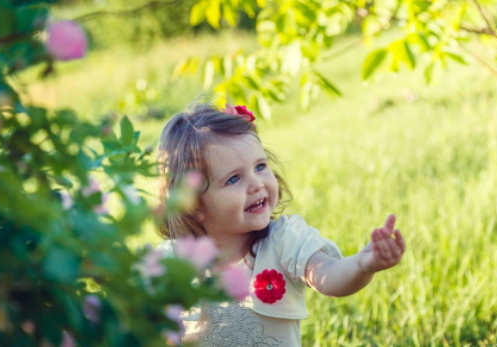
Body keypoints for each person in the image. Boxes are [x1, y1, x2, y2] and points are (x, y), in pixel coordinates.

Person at [155, 103, 406, 346]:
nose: (256, 184)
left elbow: (328, 276)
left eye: (260, 166)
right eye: (233, 179)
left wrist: (362, 265)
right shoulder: (173, 263)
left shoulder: (284, 241)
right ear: (193, 205)